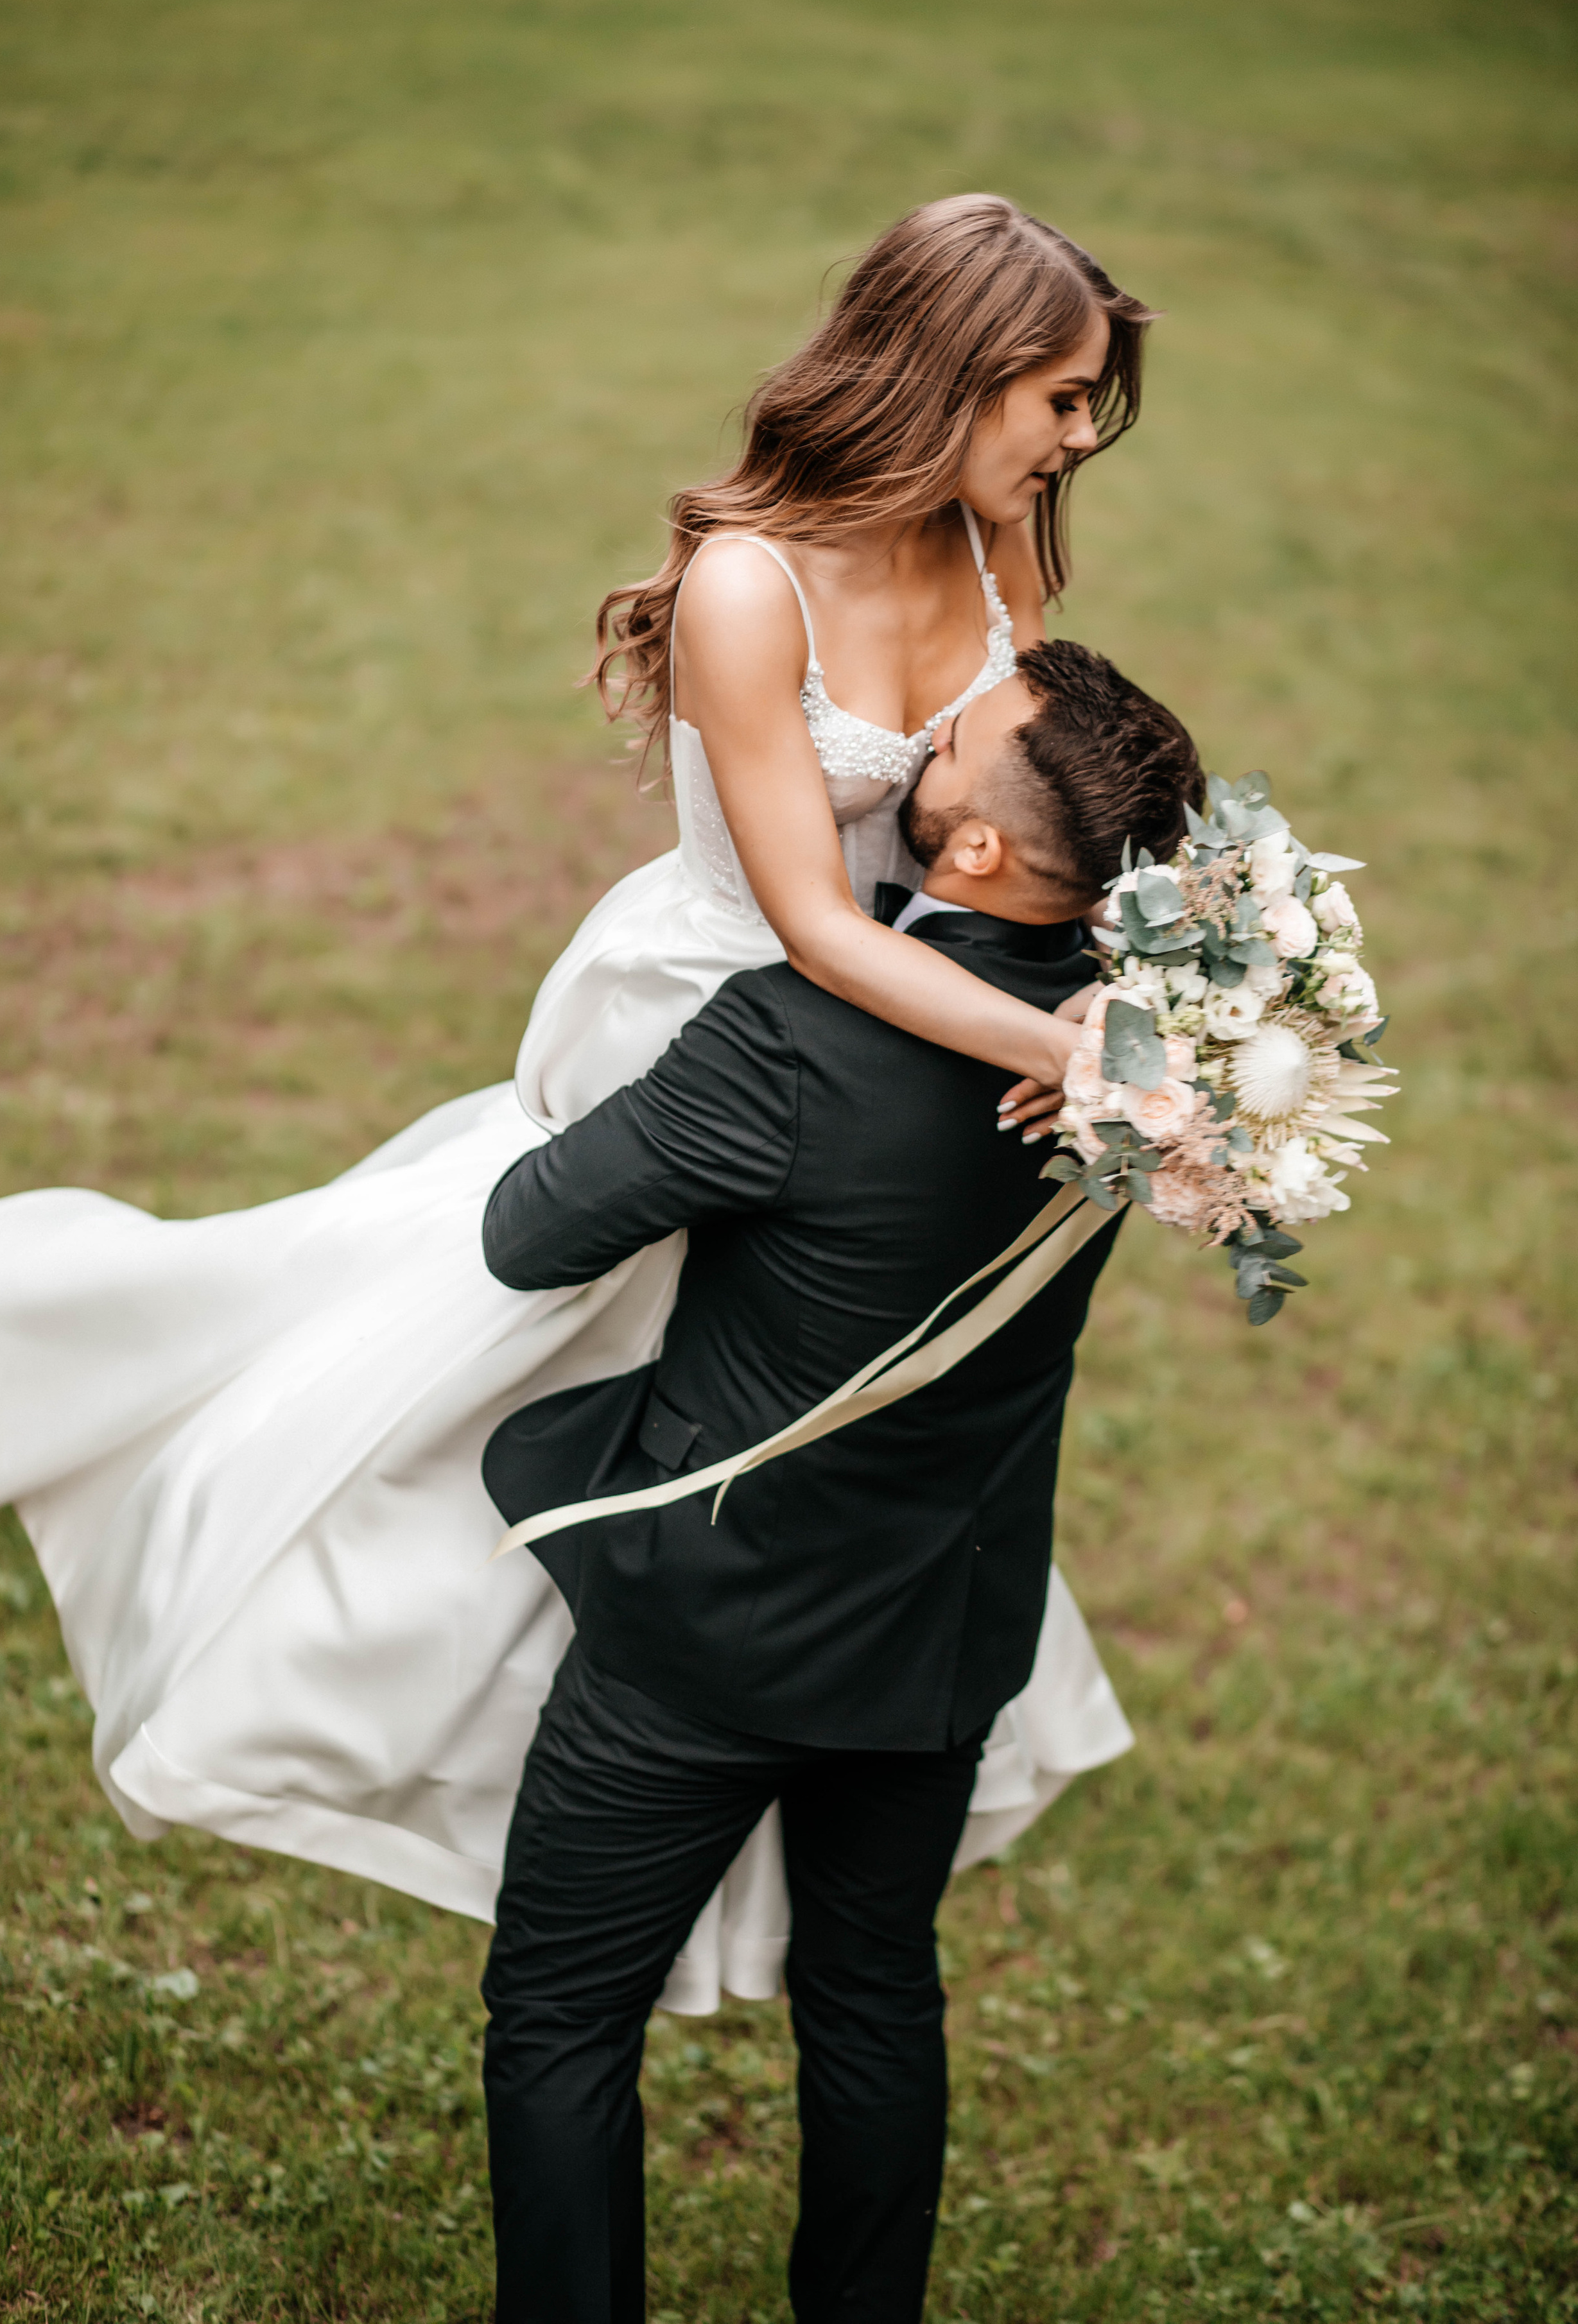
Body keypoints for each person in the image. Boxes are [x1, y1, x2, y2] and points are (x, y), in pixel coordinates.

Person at [0, 196, 1149, 2002]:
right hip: (725, 1018)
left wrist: (1144, 999)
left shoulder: (1003, 546)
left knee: (795, 1417)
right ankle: (351, 1638)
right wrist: (1065, 1053)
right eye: (1058, 397)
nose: (1076, 439)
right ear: (954, 370)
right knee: (510, 1351)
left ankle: (716, 1749)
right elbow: (815, 921)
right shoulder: (753, 583)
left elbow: (1039, 815)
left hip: (901, 1044)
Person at [478, 644, 1204, 2324]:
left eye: (953, 738)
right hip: (939, 1638)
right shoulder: (1138, 1072)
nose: (925, 731)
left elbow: (530, 1236)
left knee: (562, 2022)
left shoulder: (799, 1037)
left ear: (971, 854)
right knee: (877, 2000)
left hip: (700, 1646)